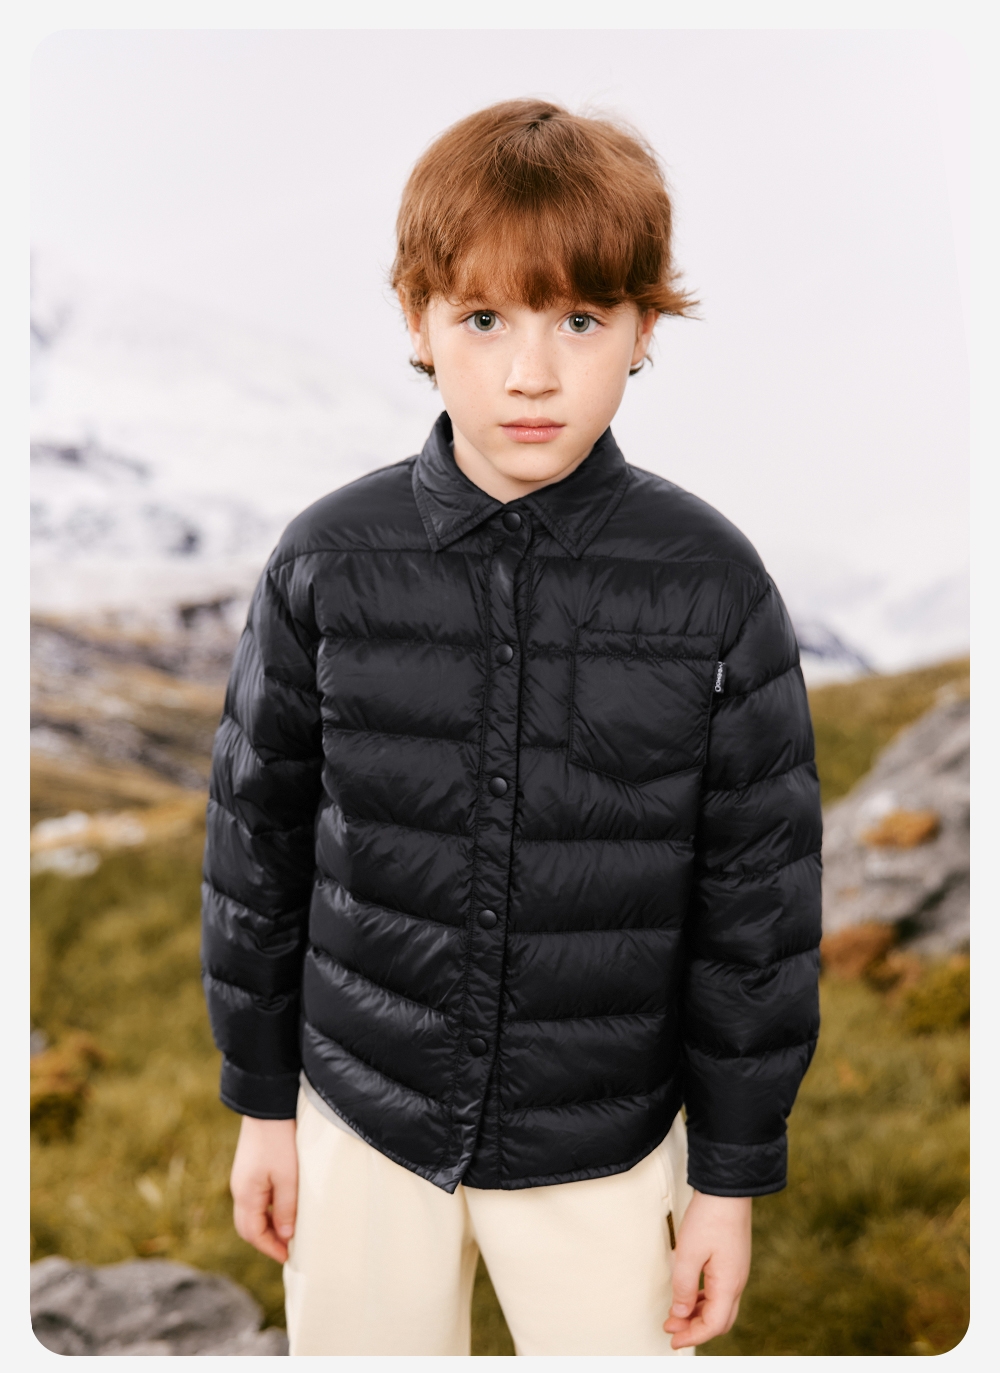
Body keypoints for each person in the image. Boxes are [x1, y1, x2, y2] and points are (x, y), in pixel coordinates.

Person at [201, 98, 822, 1356]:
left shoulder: (715, 584)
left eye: (579, 320)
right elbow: (255, 850)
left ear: (643, 329)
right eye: (483, 318)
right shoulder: (323, 560)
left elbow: (756, 912)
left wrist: (729, 1175)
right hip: (358, 1123)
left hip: (605, 1146)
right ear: (417, 321)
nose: (531, 372)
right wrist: (264, 1101)